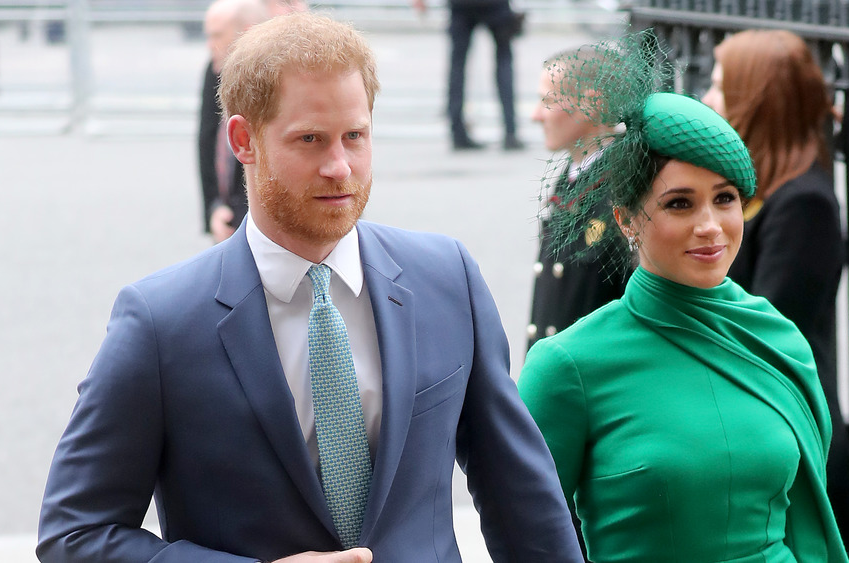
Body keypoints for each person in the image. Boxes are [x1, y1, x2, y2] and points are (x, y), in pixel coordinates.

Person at [38, 12, 582, 563]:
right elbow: (74, 533)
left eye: (355, 136)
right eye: (310, 140)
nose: (339, 167)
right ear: (243, 140)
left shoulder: (446, 277)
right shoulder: (159, 322)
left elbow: (522, 498)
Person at [517, 44, 849, 561]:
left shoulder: (777, 337)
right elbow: (528, 538)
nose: (710, 226)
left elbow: (808, 525)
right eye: (679, 204)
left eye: (725, 198)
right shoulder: (568, 366)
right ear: (627, 219)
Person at [701, 29, 849, 560]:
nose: (707, 100)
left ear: (756, 98)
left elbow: (767, 332)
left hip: (785, 436)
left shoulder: (804, 204)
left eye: (721, 87)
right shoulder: (755, 190)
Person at [526, 45, 631, 353]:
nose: (535, 115)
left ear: (592, 105)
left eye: (548, 101)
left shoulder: (621, 190)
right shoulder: (572, 176)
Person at [198, 0, 269, 243]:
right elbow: (206, 141)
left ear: (247, 33)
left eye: (217, 35)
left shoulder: (282, 79)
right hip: (228, 218)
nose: (210, 45)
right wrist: (214, 208)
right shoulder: (215, 68)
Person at [412, 0, 524, 150]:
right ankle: (510, 132)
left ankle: (457, 132)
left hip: (461, 5)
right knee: (503, 60)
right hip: (495, 5)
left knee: (457, 65)